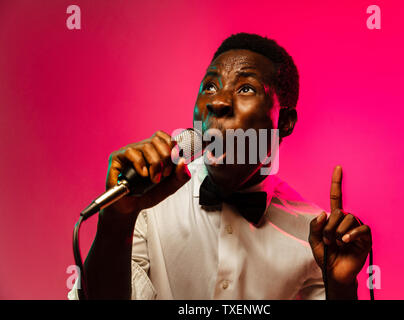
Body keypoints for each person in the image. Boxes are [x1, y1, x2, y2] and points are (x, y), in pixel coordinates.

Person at [68, 32, 372, 300]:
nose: (218, 102)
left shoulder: (316, 235)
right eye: (210, 87)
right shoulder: (146, 204)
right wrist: (116, 220)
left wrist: (341, 289)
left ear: (285, 122)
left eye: (246, 89)